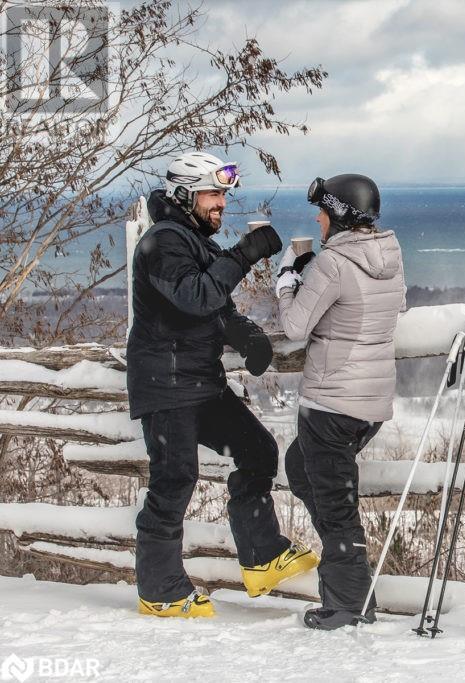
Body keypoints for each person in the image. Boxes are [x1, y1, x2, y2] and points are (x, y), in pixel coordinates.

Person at [127, 152, 319, 618]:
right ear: (184, 195)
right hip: (165, 383)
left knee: (257, 450)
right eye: (214, 194)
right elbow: (196, 296)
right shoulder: (161, 244)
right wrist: (246, 252)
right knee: (174, 481)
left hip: (200, 382)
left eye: (223, 195)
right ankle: (160, 591)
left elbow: (215, 305)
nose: (222, 204)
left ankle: (262, 556)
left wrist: (245, 333)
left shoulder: (191, 239)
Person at [275, 173, 406, 630]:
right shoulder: (389, 254)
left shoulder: (333, 264)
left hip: (330, 404)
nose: (317, 218)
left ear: (340, 215)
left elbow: (294, 326)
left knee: (335, 505)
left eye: (323, 212)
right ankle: (346, 570)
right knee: (300, 468)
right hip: (369, 405)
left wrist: (289, 279)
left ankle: (348, 605)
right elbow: (369, 304)